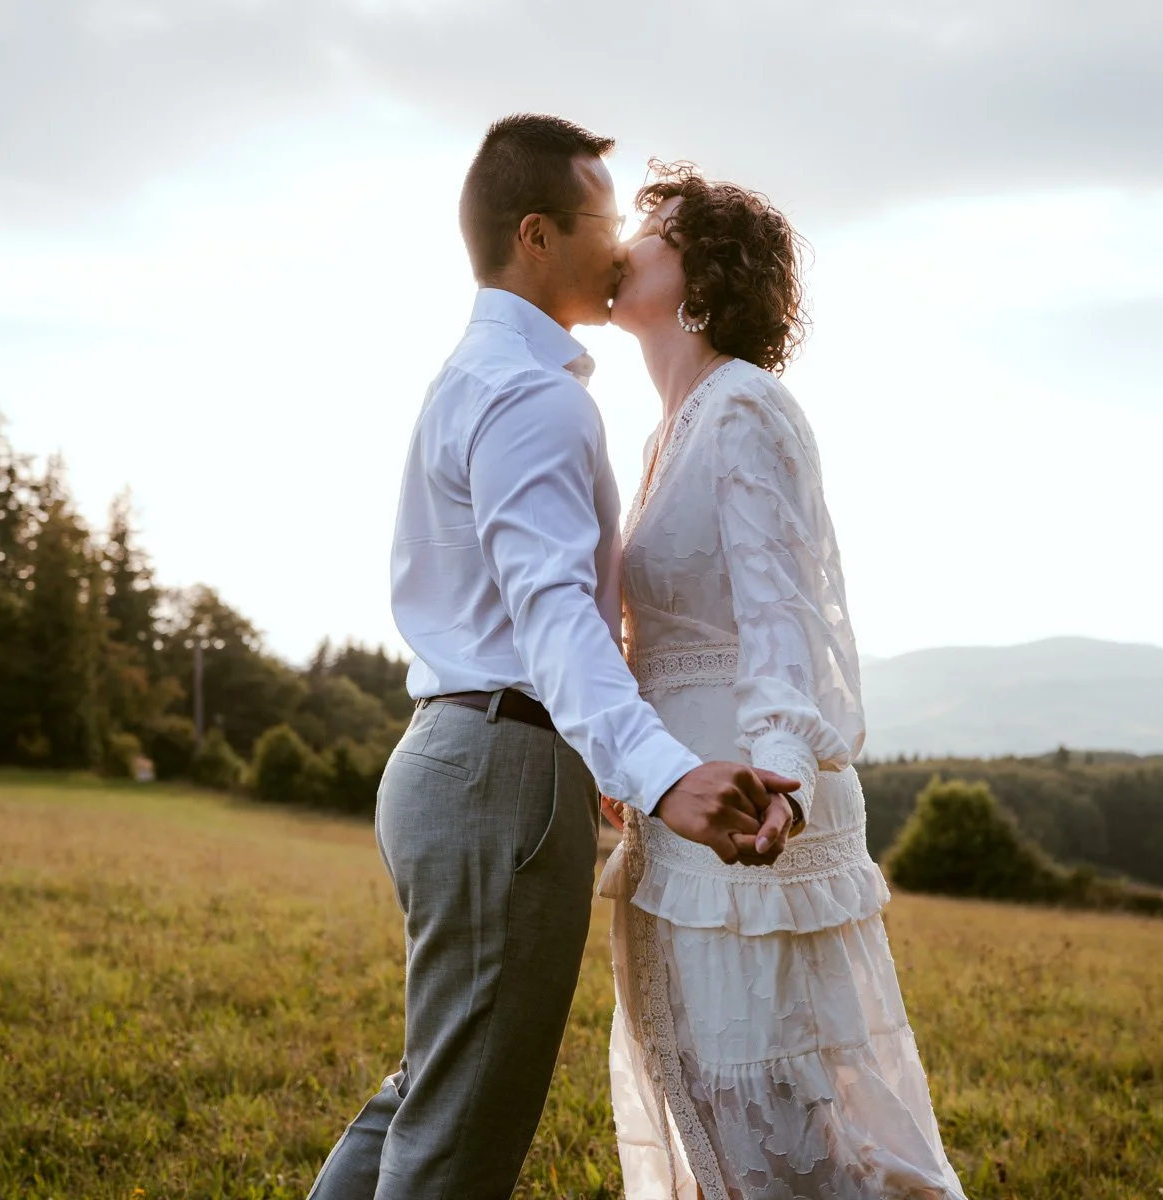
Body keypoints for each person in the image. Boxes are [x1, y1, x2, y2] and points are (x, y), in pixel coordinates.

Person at [306, 115, 802, 1200]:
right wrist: (658, 772)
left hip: (461, 758)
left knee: (430, 1089)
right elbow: (553, 615)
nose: (619, 246)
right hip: (501, 775)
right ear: (537, 235)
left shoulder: (480, 374)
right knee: (458, 1136)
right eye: (602, 220)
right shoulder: (533, 396)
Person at [599, 161, 968, 1199]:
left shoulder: (745, 407)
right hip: (680, 806)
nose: (625, 244)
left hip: (751, 809)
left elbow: (780, 614)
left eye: (652, 230)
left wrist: (779, 783)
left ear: (700, 276)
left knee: (792, 1121)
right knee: (708, 1103)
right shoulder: (665, 431)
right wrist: (628, 763)